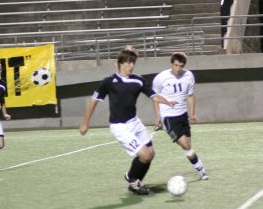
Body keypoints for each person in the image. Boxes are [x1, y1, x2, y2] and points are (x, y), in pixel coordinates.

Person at [79, 46, 176, 195]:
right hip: (120, 127)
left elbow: (153, 95)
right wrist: (85, 122)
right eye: (128, 63)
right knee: (144, 154)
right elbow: (93, 101)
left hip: (134, 123)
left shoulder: (138, 81)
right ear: (120, 63)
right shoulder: (109, 82)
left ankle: (135, 181)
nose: (131, 66)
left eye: (133, 63)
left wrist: (168, 101)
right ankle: (132, 178)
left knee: (150, 153)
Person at [152, 51, 208, 180]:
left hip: (183, 115)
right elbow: (154, 98)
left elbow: (190, 95)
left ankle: (199, 170)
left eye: (181, 66)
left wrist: (192, 113)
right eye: (176, 65)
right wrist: (158, 118)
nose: (178, 69)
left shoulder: (189, 76)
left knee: (188, 145)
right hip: (168, 116)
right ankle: (201, 170)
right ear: (171, 64)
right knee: (185, 144)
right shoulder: (160, 78)